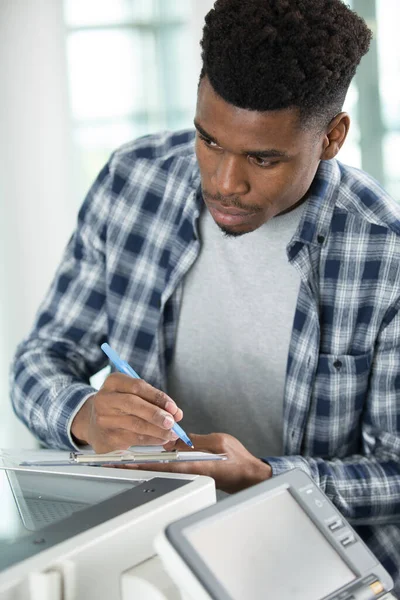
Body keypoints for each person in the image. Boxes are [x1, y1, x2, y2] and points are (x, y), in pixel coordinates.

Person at [11, 0, 400, 592]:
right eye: (210, 141)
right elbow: (38, 359)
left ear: (332, 137)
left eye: (263, 159)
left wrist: (267, 476)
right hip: (143, 543)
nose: (224, 183)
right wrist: (81, 414)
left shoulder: (385, 254)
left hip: (311, 559)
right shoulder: (133, 181)